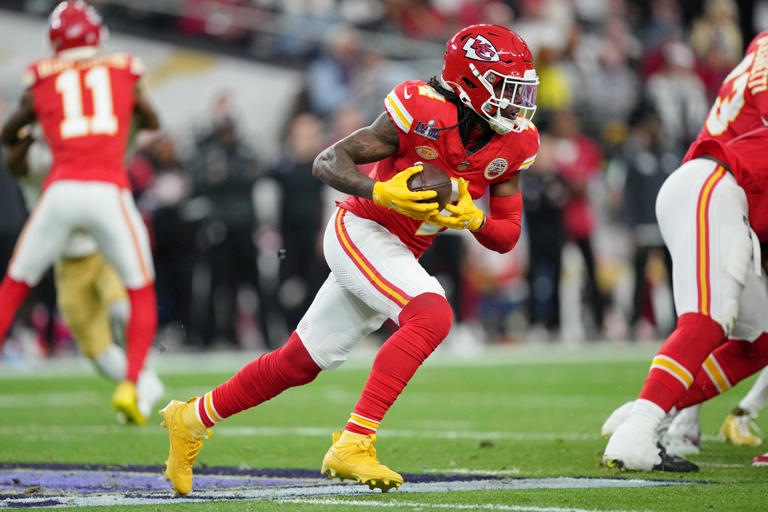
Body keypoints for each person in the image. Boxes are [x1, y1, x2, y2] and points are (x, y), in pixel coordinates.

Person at [159, 24, 538, 496]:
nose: (516, 100)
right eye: (506, 86)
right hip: (360, 228)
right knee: (432, 313)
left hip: (398, 251)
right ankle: (355, 441)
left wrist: (473, 221)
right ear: (471, 81)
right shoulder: (422, 109)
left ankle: (190, 418)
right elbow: (328, 161)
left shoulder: (515, 143)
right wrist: (382, 190)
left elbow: (506, 235)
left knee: (297, 363)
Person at [601, 30, 768, 472]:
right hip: (715, 183)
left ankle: (649, 408)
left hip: (727, 193)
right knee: (708, 319)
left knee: (761, 339)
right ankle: (640, 432)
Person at [0, 0, 160, 424]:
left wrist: (30, 122)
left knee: (13, 285)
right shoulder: (124, 69)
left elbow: (8, 139)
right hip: (106, 193)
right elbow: (149, 119)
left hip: (62, 194)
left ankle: (139, 380)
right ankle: (132, 381)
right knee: (141, 288)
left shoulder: (40, 80)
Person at [3, 125, 165, 421]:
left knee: (123, 309)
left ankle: (137, 374)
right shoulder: (34, 156)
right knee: (98, 354)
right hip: (66, 260)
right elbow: (14, 162)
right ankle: (144, 382)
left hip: (103, 248)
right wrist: (28, 132)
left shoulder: (80, 137)